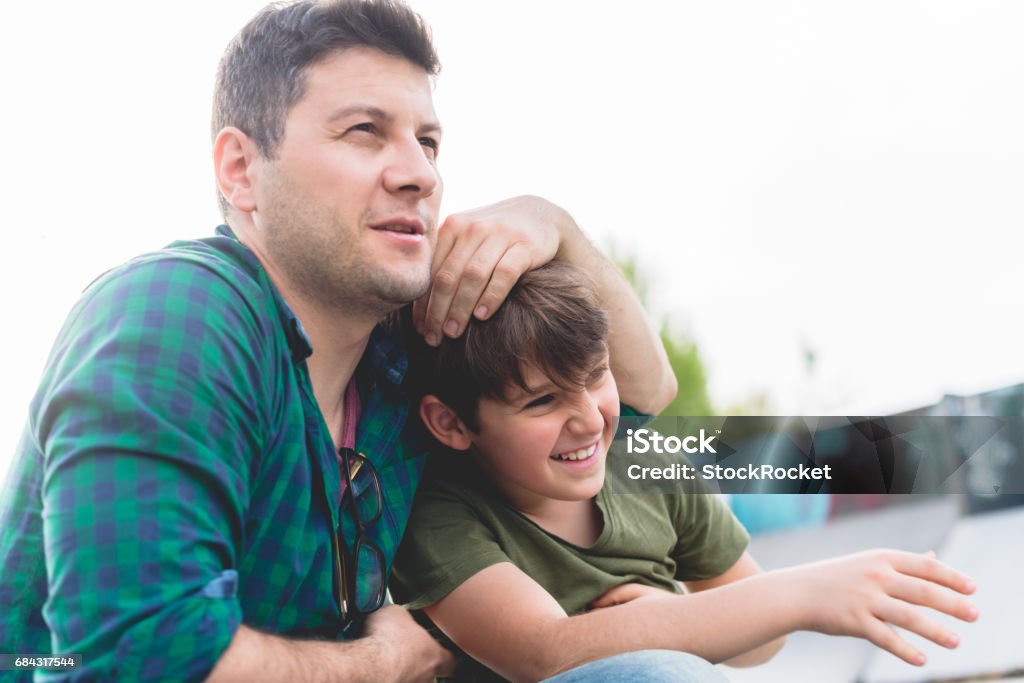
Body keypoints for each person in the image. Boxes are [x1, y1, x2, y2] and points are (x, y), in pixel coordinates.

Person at [0, 2, 635, 681]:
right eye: (366, 130)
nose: (419, 173)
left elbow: (647, 408)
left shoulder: (407, 354)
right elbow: (132, 660)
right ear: (241, 170)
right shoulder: (174, 317)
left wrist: (557, 226)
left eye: (428, 141)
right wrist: (382, 660)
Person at [392, 261, 981, 683]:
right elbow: (543, 652)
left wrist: (668, 617)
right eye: (541, 402)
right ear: (451, 423)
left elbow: (763, 644)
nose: (588, 421)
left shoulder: (651, 465)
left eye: (597, 377)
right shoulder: (439, 512)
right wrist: (800, 592)